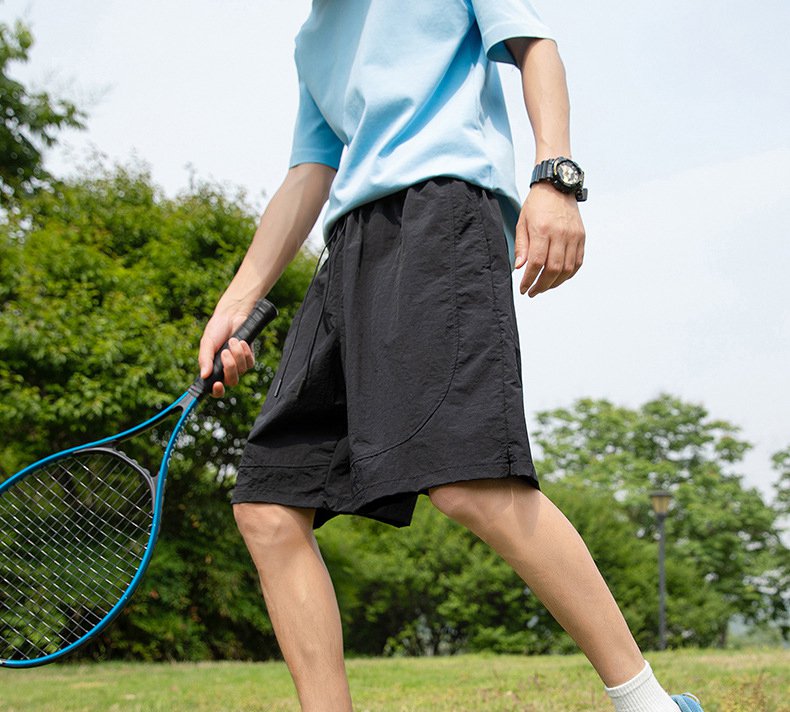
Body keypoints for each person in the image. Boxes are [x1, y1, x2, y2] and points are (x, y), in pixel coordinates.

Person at [198, 2, 705, 710]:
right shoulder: (313, 39)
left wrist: (554, 177)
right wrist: (235, 303)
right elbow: (309, 170)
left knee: (468, 482)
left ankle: (648, 702)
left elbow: (535, 46)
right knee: (269, 504)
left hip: (439, 213)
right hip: (348, 246)